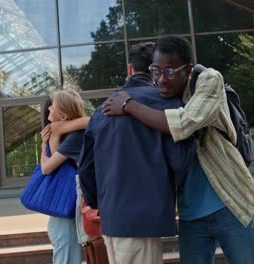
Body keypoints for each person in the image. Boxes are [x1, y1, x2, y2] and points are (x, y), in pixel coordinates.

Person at [102, 35, 254, 264]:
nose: (161, 79)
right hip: (189, 214)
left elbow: (184, 123)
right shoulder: (158, 95)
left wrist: (129, 105)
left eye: (169, 72)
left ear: (187, 69)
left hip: (228, 201)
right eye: (155, 71)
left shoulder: (209, 79)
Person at [78, 42, 197, 264]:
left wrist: (102, 203)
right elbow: (180, 162)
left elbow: (85, 168)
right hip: (143, 219)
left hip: (112, 218)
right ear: (155, 69)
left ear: (129, 69)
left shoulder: (101, 111)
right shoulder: (165, 103)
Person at [40, 90, 87, 264]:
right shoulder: (69, 134)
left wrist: (51, 138)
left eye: (54, 106)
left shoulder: (75, 137)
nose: (49, 108)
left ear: (64, 115)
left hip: (66, 207)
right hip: (64, 206)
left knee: (65, 254)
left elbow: (46, 167)